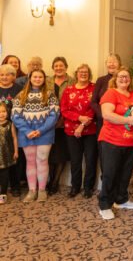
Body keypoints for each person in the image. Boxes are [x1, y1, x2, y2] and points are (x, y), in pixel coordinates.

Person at [97, 66, 133, 220]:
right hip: (112, 140)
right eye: (121, 77)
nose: (124, 79)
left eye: (127, 76)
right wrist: (128, 120)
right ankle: (104, 205)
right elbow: (107, 115)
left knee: (125, 173)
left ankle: (121, 199)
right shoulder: (111, 93)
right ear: (115, 79)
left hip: (131, 141)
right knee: (110, 174)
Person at [11, 69, 60, 203]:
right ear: (30, 78)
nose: (37, 79)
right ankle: (32, 190)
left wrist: (41, 130)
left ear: (44, 79)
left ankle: (42, 190)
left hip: (45, 133)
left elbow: (54, 115)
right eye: (35, 77)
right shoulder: (21, 95)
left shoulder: (50, 95)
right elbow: (15, 115)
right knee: (30, 161)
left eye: (40, 77)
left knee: (42, 160)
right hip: (26, 134)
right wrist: (27, 131)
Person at [60, 64, 97, 199]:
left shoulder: (94, 88)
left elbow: (94, 107)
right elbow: (64, 110)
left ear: (89, 74)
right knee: (75, 161)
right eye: (80, 72)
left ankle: (88, 187)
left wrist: (82, 123)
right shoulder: (68, 90)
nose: (83, 74)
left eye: (86, 72)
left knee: (90, 160)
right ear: (76, 74)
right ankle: (75, 187)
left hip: (90, 130)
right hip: (71, 131)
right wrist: (79, 118)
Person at [46, 57, 74, 195]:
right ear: (53, 68)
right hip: (48, 123)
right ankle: (50, 180)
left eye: (61, 65)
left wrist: (63, 118)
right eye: (56, 66)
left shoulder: (72, 81)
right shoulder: (47, 81)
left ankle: (55, 183)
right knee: (49, 154)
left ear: (66, 67)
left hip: (65, 123)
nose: (58, 68)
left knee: (61, 153)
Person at [0, 64, 23, 197]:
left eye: (8, 74)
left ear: (13, 76)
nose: (4, 77)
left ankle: (15, 186)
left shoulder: (18, 89)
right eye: (2, 74)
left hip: (15, 127)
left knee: (15, 157)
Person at [91, 53, 121, 135]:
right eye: (109, 62)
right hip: (103, 122)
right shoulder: (101, 80)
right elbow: (93, 102)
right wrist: (103, 115)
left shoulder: (124, 80)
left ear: (119, 64)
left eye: (114, 61)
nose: (111, 64)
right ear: (106, 64)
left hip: (121, 122)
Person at [0, 102, 18, 204]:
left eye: (3, 111)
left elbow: (15, 138)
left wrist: (15, 151)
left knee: (4, 175)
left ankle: (3, 195)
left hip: (6, 154)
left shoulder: (10, 124)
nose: (1, 114)